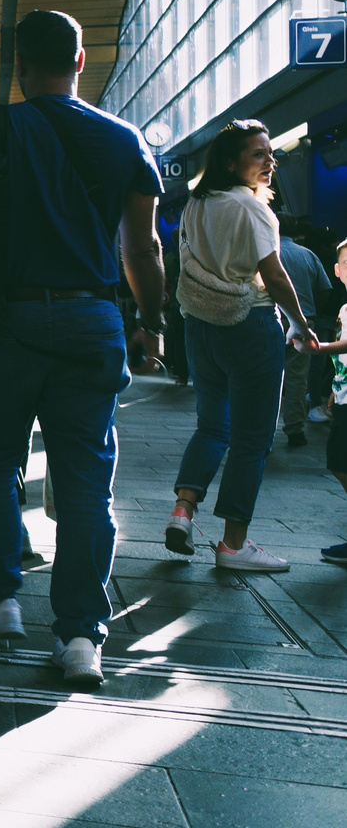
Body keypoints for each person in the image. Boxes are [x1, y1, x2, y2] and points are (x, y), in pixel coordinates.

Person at [0, 8, 165, 686]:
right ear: (81, 62)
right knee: (87, 482)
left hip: (7, 321)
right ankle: (81, 638)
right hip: (93, 321)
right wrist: (151, 321)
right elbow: (141, 247)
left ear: (18, 64)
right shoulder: (123, 139)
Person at [168, 119, 313, 573]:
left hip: (202, 328)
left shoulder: (196, 204)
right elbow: (274, 276)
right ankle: (233, 545)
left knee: (212, 427)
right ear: (232, 163)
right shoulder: (251, 208)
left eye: (271, 154)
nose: (270, 162)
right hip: (249, 326)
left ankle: (183, 511)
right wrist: (300, 324)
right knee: (251, 440)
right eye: (259, 155)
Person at [277, 214, 330, 448]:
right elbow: (325, 288)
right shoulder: (307, 255)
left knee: (266, 376)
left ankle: (263, 430)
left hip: (271, 319)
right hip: (304, 321)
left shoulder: (266, 253)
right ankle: (295, 429)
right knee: (298, 378)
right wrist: (308, 311)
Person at [310, 240, 347, 564]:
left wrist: (318, 348)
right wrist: (337, 389)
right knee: (338, 460)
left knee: (339, 460)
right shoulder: (345, 308)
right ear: (336, 271)